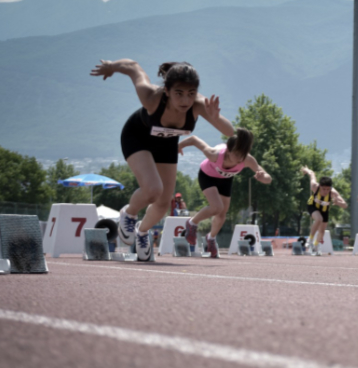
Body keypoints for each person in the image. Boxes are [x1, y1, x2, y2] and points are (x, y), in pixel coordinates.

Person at [91, 59, 236, 261]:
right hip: (137, 137)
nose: (185, 100)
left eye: (191, 93)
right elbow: (133, 67)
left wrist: (216, 117)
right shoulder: (151, 97)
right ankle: (129, 213)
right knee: (152, 190)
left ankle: (142, 232)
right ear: (167, 91)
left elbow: (231, 133)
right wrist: (112, 67)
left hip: (166, 143)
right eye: (179, 93)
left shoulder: (199, 105)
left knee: (163, 202)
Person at [179, 129, 271, 258]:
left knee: (222, 214)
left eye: (243, 155)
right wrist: (178, 146)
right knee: (216, 207)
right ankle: (192, 223)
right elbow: (194, 139)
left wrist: (263, 177)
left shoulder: (247, 159)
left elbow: (268, 178)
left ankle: (211, 238)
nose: (240, 159)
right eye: (237, 154)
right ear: (228, 150)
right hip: (207, 176)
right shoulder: (214, 154)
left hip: (225, 179)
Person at [301, 166, 348, 255]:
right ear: (320, 186)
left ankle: (315, 245)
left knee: (322, 231)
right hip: (313, 206)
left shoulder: (333, 192)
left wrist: (338, 203)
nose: (325, 191)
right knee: (318, 219)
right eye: (323, 189)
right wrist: (306, 170)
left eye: (327, 189)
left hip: (324, 210)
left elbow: (345, 205)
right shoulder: (314, 186)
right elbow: (312, 174)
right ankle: (310, 239)